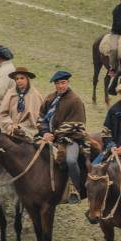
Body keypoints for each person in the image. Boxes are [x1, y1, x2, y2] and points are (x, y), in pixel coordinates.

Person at [38, 71, 89, 203]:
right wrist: (44, 132)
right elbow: (41, 118)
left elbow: (76, 124)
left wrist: (53, 135)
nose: (60, 86)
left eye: (63, 83)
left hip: (70, 139)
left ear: (68, 83)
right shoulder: (50, 98)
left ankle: (76, 189)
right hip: (48, 137)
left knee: (71, 160)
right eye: (57, 84)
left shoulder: (75, 101)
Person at [0, 66, 44, 137]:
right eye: (17, 79)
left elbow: (35, 118)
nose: (19, 81)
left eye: (22, 78)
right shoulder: (10, 93)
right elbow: (3, 113)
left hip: (28, 131)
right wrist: (10, 125)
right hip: (9, 130)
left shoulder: (34, 95)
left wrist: (19, 127)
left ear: (27, 79)